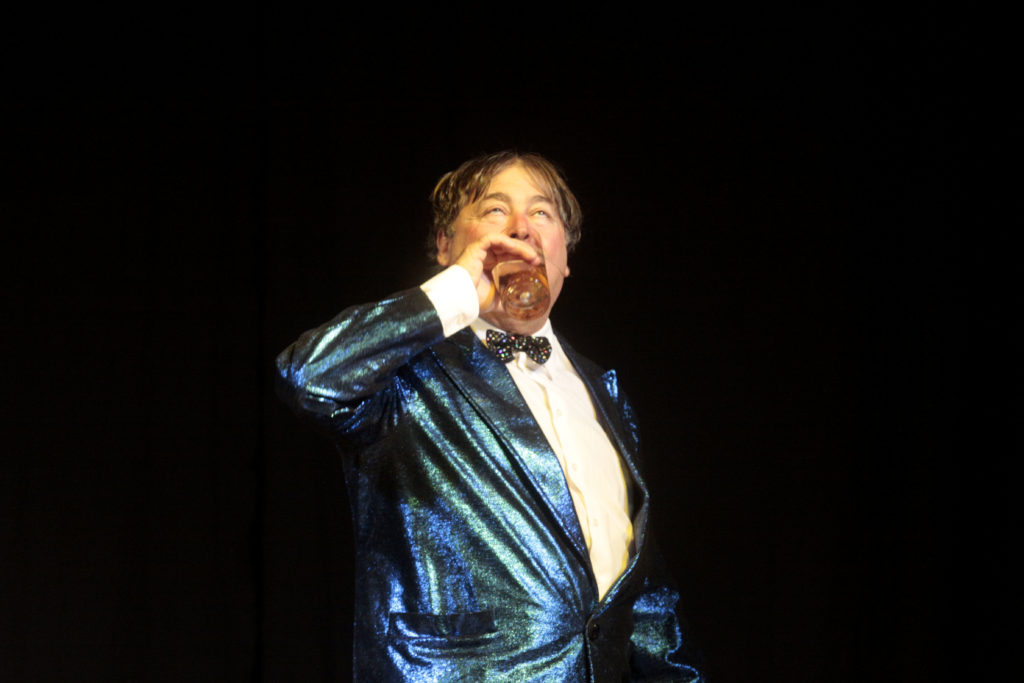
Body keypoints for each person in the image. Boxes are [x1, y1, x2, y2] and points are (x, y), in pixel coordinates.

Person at [276, 151, 704, 681]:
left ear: (565, 255)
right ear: (445, 246)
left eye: (542, 213)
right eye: (496, 210)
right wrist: (457, 289)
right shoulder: (408, 370)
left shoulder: (605, 391)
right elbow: (309, 377)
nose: (521, 228)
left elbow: (645, 600)